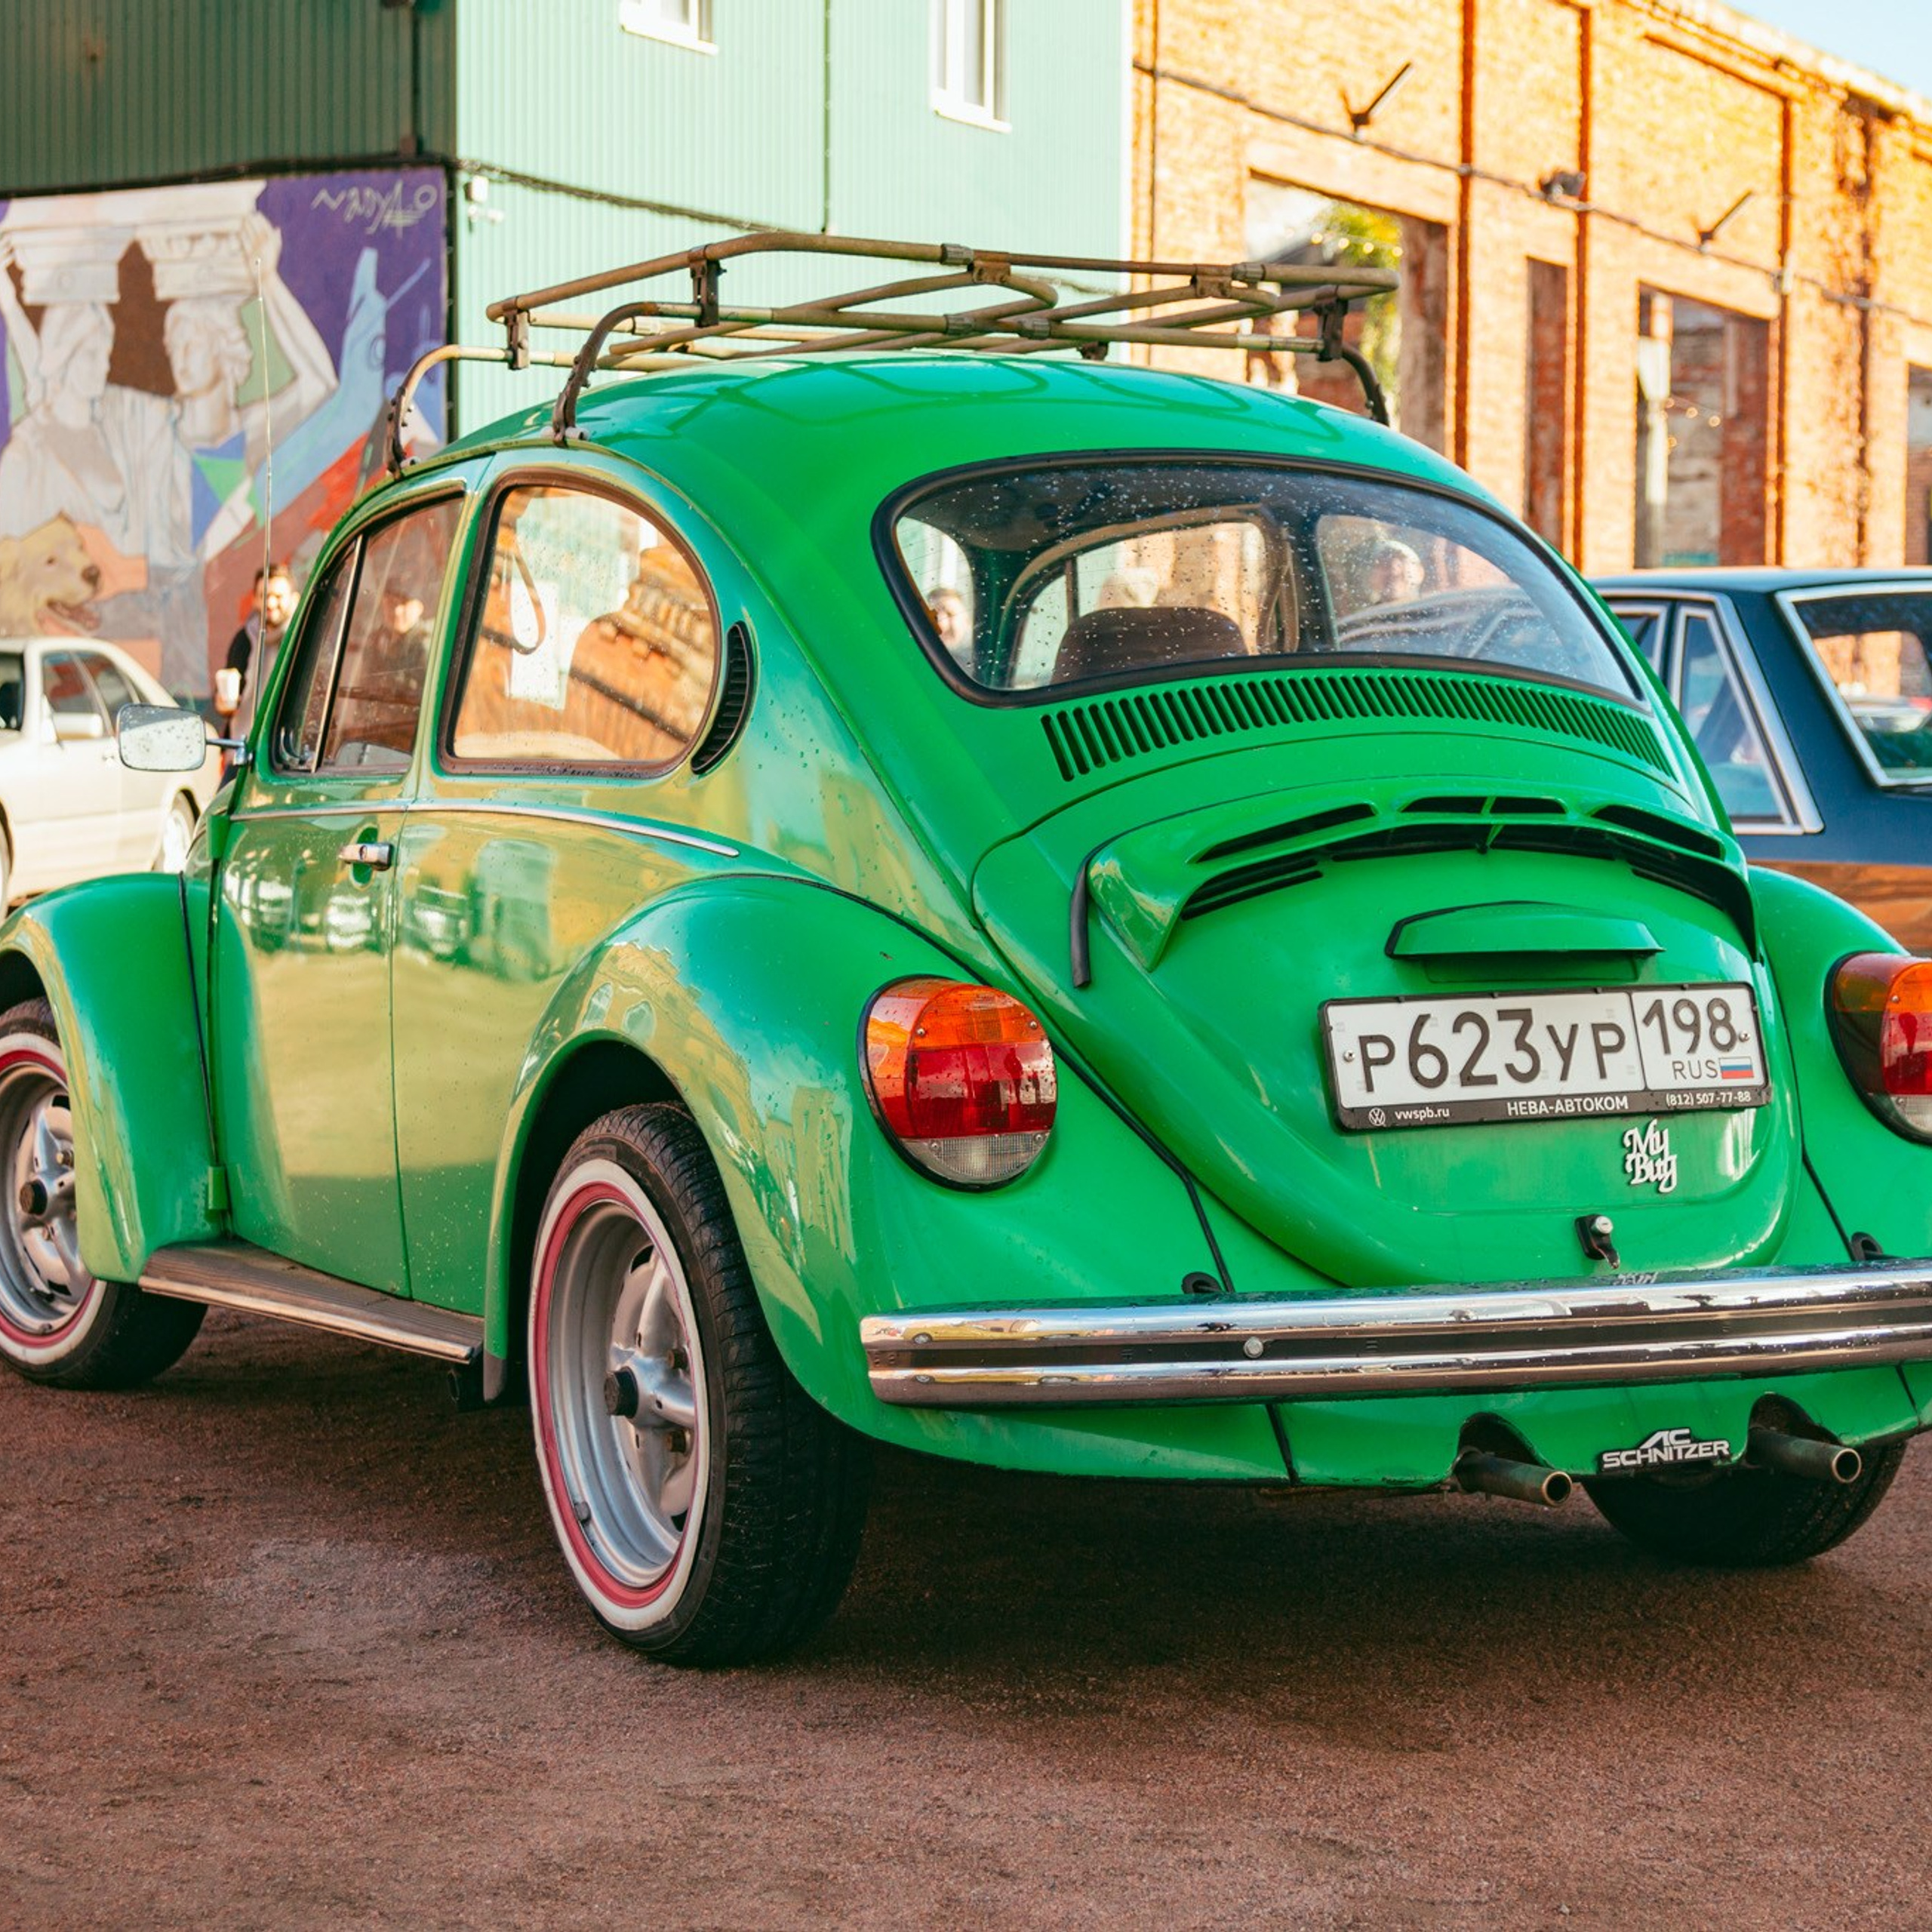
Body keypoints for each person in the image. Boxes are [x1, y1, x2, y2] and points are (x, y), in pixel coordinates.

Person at [220, 561, 294, 736]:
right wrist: (222, 703)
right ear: (254, 599)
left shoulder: (300, 637)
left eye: (278, 596)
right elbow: (230, 685)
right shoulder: (245, 638)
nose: (270, 603)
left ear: (294, 599)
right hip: (244, 741)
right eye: (264, 596)